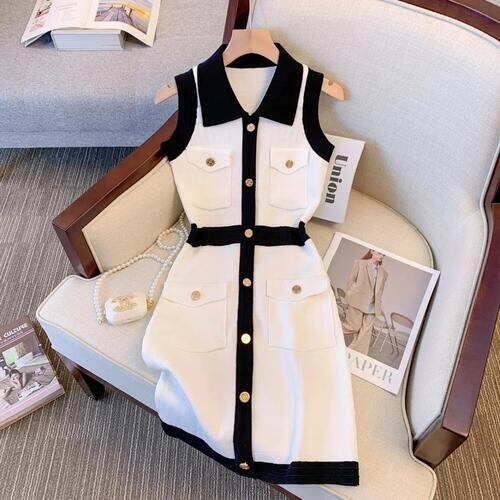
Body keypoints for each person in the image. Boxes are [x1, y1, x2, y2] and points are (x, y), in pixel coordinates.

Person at [342, 249, 388, 355]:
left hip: (373, 306)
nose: (382, 256)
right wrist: (350, 295)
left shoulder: (384, 273)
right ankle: (330, 332)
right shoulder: (359, 263)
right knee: (353, 326)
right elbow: (351, 281)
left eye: (384, 255)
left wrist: (378, 303)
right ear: (372, 251)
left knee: (365, 334)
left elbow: (380, 290)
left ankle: (354, 354)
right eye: (380, 253)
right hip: (357, 301)